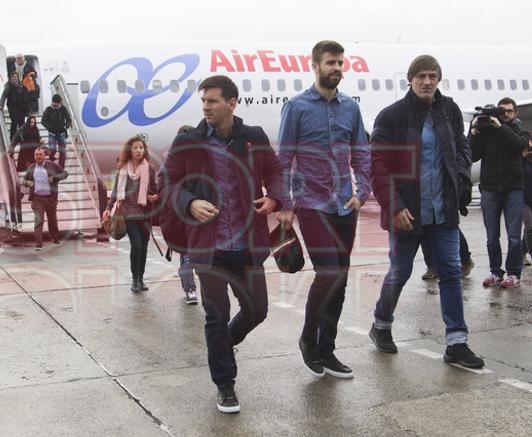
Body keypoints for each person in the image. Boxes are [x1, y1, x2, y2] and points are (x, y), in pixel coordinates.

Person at [158, 75, 282, 414]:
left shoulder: (253, 138)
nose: (206, 107)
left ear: (231, 102)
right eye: (203, 102)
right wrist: (189, 202)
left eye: (213, 101)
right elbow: (166, 183)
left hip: (248, 244)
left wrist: (275, 197)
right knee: (216, 314)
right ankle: (225, 385)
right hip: (208, 247)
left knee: (257, 311)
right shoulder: (188, 143)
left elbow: (275, 171)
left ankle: (222, 348)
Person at [369, 55, 484, 369]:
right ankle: (381, 324)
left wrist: (461, 179)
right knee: (400, 273)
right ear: (410, 79)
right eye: (421, 76)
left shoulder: (449, 111)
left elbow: (462, 147)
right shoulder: (391, 116)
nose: (427, 81)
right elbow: (377, 166)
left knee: (450, 272)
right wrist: (393, 206)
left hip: (443, 210)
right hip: (407, 213)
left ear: (439, 79)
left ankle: (457, 343)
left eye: (433, 76)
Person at [277, 40, 370, 379]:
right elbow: (284, 159)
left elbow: (361, 151)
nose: (337, 68)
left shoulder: (351, 109)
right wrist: (286, 203)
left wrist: (363, 190)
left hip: (345, 204)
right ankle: (307, 339)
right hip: (312, 203)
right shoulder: (297, 107)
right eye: (330, 62)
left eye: (340, 63)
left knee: (340, 279)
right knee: (328, 273)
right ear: (314, 65)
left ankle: (327, 349)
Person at [470, 97, 530, 288]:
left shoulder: (519, 130)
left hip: (513, 189)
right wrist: (473, 132)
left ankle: (513, 273)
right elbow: (472, 154)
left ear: (515, 113)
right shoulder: (487, 133)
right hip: (490, 189)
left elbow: (519, 145)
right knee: (491, 236)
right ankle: (495, 272)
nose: (505, 115)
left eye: (509, 111)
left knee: (513, 235)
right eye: (501, 111)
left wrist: (500, 126)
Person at [103, 135, 158, 293]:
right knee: (137, 245)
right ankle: (135, 279)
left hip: (145, 213)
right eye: (135, 148)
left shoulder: (150, 169)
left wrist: (155, 196)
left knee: (145, 247)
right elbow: (115, 191)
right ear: (130, 150)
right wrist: (108, 207)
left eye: (141, 148)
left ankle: (141, 278)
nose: (139, 151)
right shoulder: (123, 169)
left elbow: (154, 189)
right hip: (129, 213)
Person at [23, 147, 68, 250]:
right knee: (39, 220)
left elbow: (65, 173)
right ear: (34, 156)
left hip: (50, 198)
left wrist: (55, 178)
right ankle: (38, 244)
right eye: (36, 155)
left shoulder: (52, 165)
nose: (38, 156)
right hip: (37, 199)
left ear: (44, 155)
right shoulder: (31, 168)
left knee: (52, 220)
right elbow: (24, 180)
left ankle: (55, 238)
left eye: (40, 154)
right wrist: (27, 183)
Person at [175, 124, 198, 305]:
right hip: (183, 218)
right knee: (187, 256)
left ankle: (190, 287)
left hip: (198, 217)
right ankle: (190, 288)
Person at [41, 94, 72, 168]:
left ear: (59, 103)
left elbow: (69, 119)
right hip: (52, 134)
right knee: (52, 150)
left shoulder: (63, 109)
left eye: (57, 103)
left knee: (63, 152)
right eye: (54, 102)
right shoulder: (48, 109)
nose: (55, 104)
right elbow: (43, 121)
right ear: (52, 102)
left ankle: (61, 167)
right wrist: (50, 127)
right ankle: (51, 162)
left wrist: (65, 127)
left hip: (61, 133)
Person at [0, 71, 28, 139]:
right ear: (11, 78)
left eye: (16, 77)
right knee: (14, 122)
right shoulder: (9, 85)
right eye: (13, 77)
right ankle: (12, 137)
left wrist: (28, 108)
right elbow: (4, 95)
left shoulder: (22, 86)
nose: (15, 78)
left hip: (21, 107)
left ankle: (21, 137)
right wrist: (1, 105)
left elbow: (25, 98)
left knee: (22, 122)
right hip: (12, 107)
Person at [523, 138, 532, 266]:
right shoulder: (521, 162)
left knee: (529, 228)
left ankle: (521, 251)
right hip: (522, 199)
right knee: (530, 226)